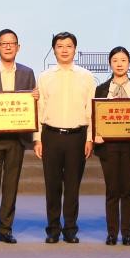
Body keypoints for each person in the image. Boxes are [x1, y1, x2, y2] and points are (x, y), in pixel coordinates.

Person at [0, 29, 37, 245]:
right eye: (4, 43)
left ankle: (5, 229)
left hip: (17, 139)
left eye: (12, 43)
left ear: (18, 47)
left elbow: (31, 104)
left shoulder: (27, 73)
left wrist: (35, 98)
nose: (8, 47)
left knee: (11, 185)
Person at [35, 31, 96, 243]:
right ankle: (53, 229)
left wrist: (89, 138)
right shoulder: (45, 76)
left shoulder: (86, 76)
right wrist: (37, 138)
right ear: (54, 50)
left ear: (75, 50)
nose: (64, 50)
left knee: (72, 186)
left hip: (77, 137)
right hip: (51, 136)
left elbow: (91, 110)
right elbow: (39, 109)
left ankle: (70, 229)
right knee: (52, 186)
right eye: (60, 46)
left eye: (68, 46)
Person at [93, 47, 130, 246]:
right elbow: (95, 115)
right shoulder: (101, 89)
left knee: (127, 190)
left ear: (129, 64)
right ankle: (112, 233)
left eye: (123, 60)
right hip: (108, 146)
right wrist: (96, 134)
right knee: (112, 190)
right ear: (110, 64)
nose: (119, 64)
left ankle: (127, 233)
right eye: (115, 60)